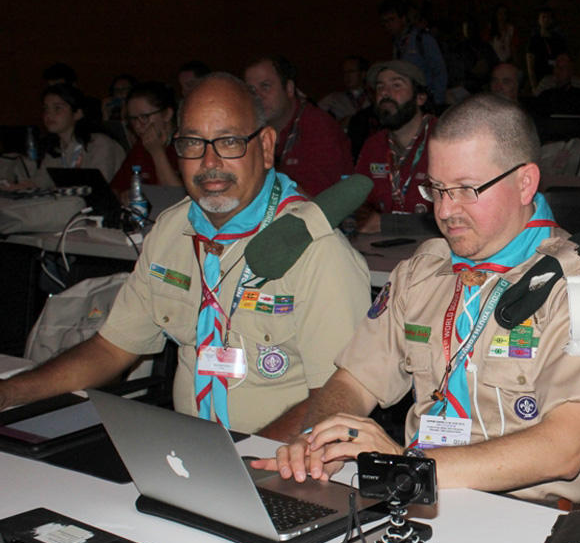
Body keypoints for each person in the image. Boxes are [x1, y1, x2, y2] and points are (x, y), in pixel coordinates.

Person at [255, 93, 580, 506]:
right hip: (417, 489)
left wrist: (409, 466)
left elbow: (563, 450)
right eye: (437, 189)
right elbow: (354, 380)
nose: (444, 210)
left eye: (465, 189)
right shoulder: (423, 273)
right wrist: (317, 440)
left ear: (525, 182)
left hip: (532, 513)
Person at [0, 74, 371, 437]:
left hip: (283, 461)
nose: (209, 161)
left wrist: (242, 463)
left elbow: (336, 399)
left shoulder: (317, 250)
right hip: (187, 454)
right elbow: (111, 349)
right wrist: (9, 393)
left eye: (229, 142)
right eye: (193, 143)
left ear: (265, 146)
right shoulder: (171, 231)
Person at [244, 55, 353, 197]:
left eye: (265, 86)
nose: (257, 97)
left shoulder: (317, 127)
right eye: (251, 90)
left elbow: (314, 200)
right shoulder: (250, 130)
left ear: (289, 88)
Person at [353, 61, 437, 231]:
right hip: (383, 245)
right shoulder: (373, 146)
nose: (385, 93)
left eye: (396, 85)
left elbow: (462, 214)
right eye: (380, 87)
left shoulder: (447, 138)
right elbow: (357, 205)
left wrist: (390, 224)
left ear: (420, 98)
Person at [13, 84, 125, 190]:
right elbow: (41, 181)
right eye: (46, 109)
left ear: (78, 114)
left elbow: (97, 187)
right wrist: (19, 187)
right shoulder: (56, 148)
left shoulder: (99, 143)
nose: (49, 115)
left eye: (57, 108)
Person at [110, 81, 183, 195]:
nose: (138, 126)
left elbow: (177, 197)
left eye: (144, 117)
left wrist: (157, 153)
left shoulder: (185, 146)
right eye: (133, 119)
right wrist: (122, 196)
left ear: (167, 114)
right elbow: (115, 188)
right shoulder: (140, 146)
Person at [380, 0, 448, 106]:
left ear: (403, 19)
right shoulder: (397, 44)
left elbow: (440, 71)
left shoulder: (421, 39)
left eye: (391, 20)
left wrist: (437, 101)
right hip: (408, 101)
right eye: (385, 22)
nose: (388, 25)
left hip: (427, 99)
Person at [318, 56, 372, 130]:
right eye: (344, 72)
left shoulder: (373, 98)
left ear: (363, 74)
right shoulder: (334, 99)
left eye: (351, 71)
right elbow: (315, 114)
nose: (347, 76)